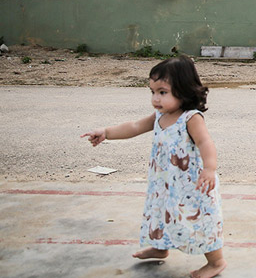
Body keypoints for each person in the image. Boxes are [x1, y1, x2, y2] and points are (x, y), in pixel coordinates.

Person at [82, 55, 226, 278]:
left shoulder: (190, 118)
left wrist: (209, 169)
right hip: (165, 184)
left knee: (198, 222)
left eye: (162, 92)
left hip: (191, 188)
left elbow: (205, 142)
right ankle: (160, 248)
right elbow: (135, 126)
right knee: (160, 214)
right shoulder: (160, 115)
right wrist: (106, 132)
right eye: (152, 92)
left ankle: (216, 262)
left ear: (183, 90)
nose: (155, 99)